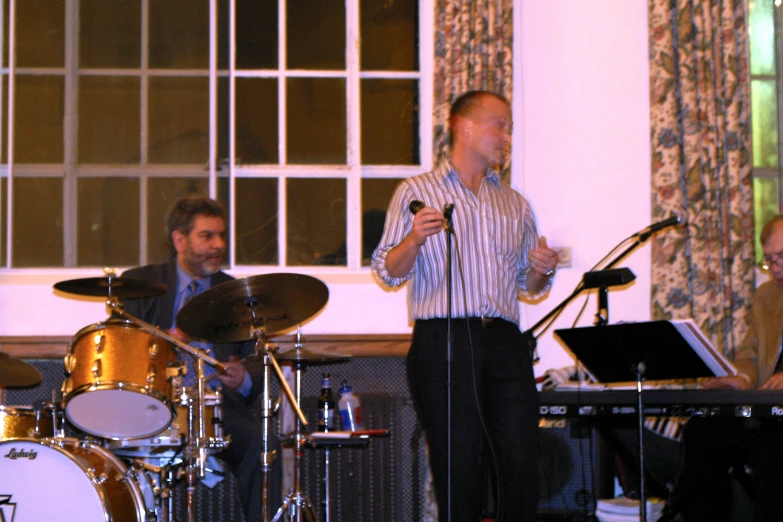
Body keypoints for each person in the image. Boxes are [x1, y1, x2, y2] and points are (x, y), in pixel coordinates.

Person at [371, 90, 558, 522]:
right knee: (458, 468)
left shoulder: (515, 204)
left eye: (509, 126)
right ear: (464, 126)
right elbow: (387, 271)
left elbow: (527, 287)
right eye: (499, 124)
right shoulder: (416, 192)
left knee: (521, 461)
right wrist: (414, 238)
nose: (506, 136)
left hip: (506, 343)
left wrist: (541, 269)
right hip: (445, 341)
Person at [120, 195, 279, 521]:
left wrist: (243, 378)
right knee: (110, 443)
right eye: (207, 236)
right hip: (156, 404)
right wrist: (162, 344)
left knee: (263, 441)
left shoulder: (235, 293)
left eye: (221, 235)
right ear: (180, 239)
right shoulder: (141, 286)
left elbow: (256, 358)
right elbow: (123, 349)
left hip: (217, 407)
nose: (218, 244)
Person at [665, 215, 783, 521]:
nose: (775, 268)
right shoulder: (766, 296)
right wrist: (742, 378)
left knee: (770, 451)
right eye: (769, 261)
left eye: (781, 257)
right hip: (766, 408)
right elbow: (751, 353)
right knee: (702, 431)